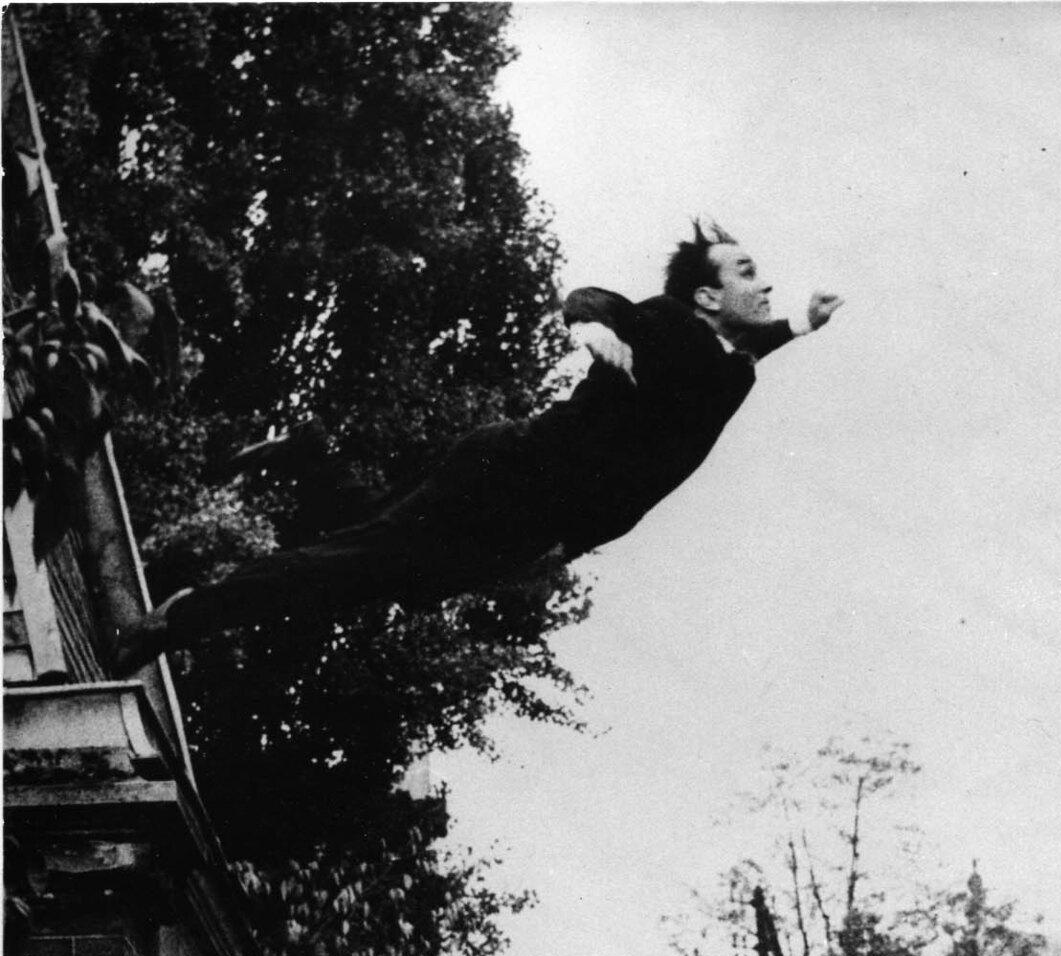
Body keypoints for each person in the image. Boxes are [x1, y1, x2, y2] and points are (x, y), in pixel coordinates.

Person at [115, 221, 843, 669]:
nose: (766, 282)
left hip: (528, 526)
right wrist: (586, 325)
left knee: (379, 566)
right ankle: (174, 620)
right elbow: (605, 302)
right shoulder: (668, 324)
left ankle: (306, 458)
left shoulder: (730, 372)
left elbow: (721, 373)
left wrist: (802, 327)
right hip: (507, 477)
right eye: (746, 272)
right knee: (356, 566)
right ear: (708, 296)